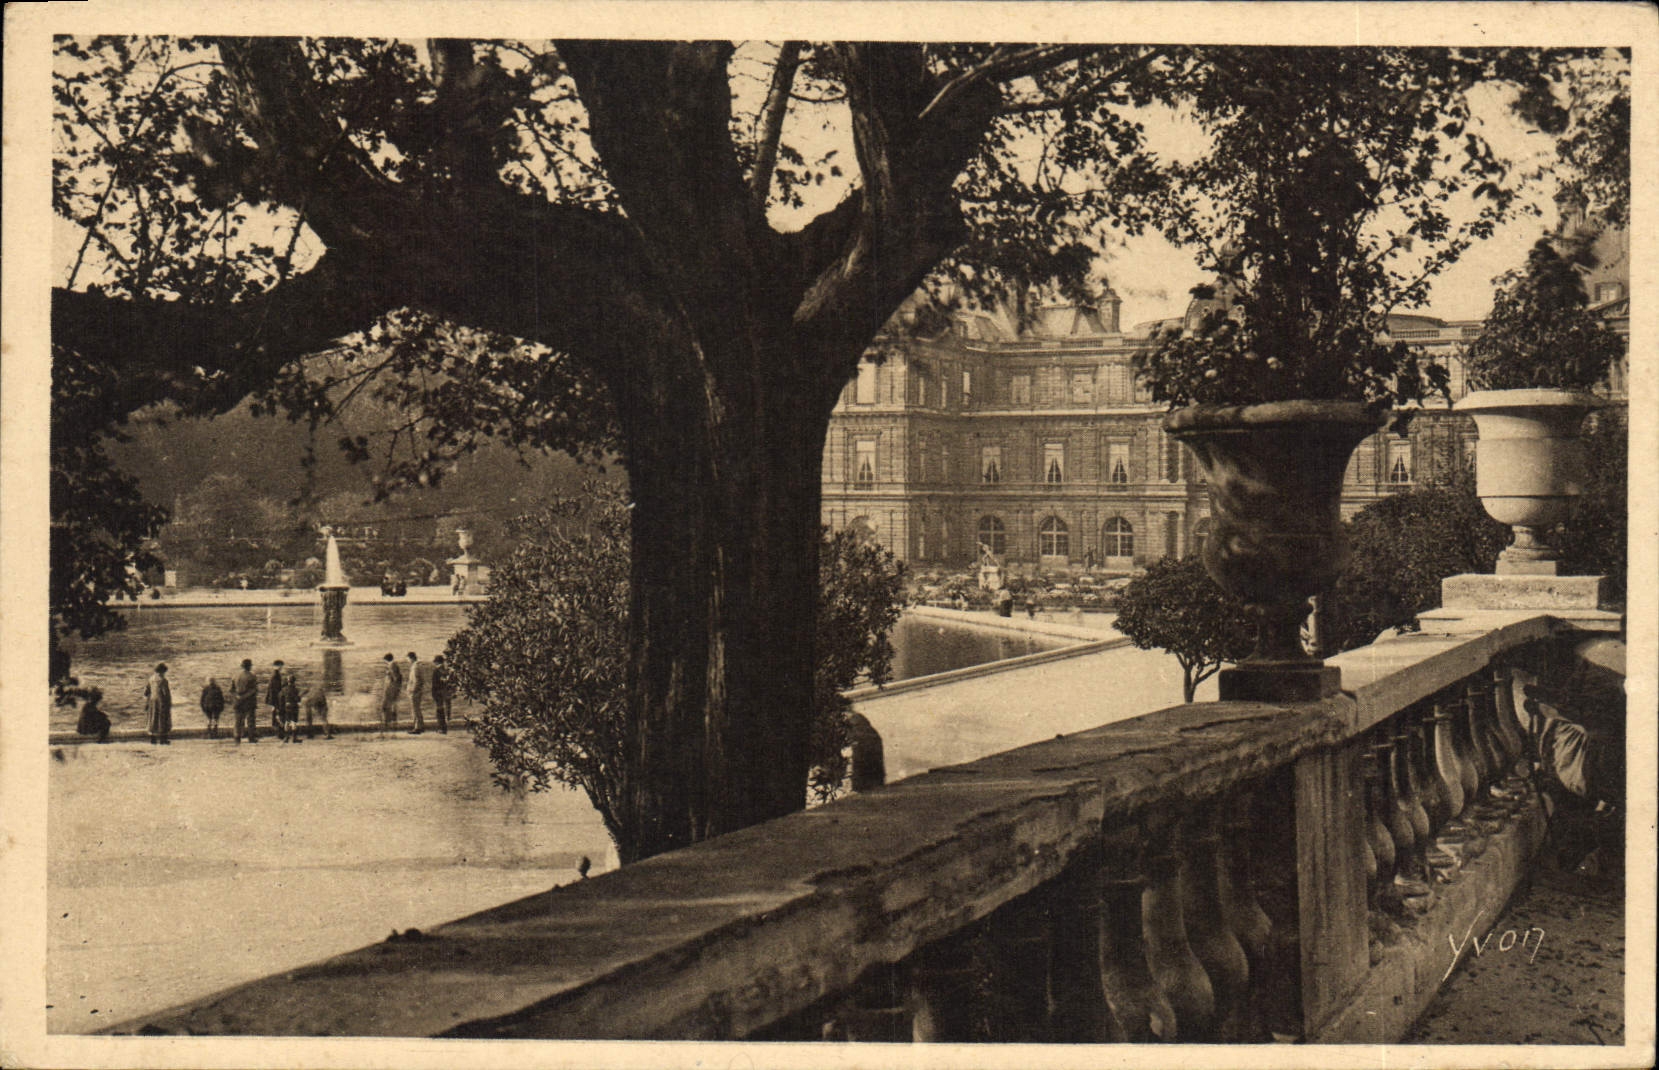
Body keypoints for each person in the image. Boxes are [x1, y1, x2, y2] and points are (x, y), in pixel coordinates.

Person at [231, 658, 260, 743]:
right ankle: (251, 737)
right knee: (250, 719)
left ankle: (237, 737)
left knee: (238, 719)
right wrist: (245, 696)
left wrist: (237, 696)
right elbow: (254, 690)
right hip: (249, 701)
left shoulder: (235, 676)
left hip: (237, 701)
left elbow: (231, 690)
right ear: (249, 667)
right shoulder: (252, 676)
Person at [144, 663, 173, 745]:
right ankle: (163, 739)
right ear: (162, 671)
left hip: (152, 701)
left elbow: (146, 692)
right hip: (161, 702)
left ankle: (153, 738)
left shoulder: (151, 679)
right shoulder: (163, 680)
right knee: (163, 720)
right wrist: (169, 703)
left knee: (153, 719)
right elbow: (166, 693)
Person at [407, 651, 430, 734]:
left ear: (411, 658)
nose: (408, 661)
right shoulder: (417, 666)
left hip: (415, 692)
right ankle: (419, 726)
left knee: (415, 709)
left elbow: (417, 680)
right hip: (417, 691)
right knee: (416, 709)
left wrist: (413, 690)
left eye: (408, 659)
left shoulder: (415, 667)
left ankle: (418, 727)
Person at [431, 654, 453, 734]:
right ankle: (445, 726)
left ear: (436, 662)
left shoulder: (436, 671)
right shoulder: (446, 670)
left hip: (438, 693)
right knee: (446, 710)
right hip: (446, 693)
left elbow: (434, 684)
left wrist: (434, 693)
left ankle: (442, 728)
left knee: (439, 710)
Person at [266, 660, 288, 737]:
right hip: (276, 699)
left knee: (276, 716)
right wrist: (274, 703)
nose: (282, 668)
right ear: (279, 666)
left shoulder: (274, 674)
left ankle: (279, 733)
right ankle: (280, 734)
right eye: (281, 666)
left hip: (274, 699)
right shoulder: (276, 675)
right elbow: (274, 690)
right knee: (278, 715)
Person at [380, 653, 402, 727]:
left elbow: (396, 678)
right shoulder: (393, 665)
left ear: (386, 660)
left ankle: (386, 722)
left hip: (391, 689)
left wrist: (393, 687)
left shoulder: (392, 666)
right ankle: (392, 721)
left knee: (385, 705)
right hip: (391, 688)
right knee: (392, 705)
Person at [280, 675, 303, 743]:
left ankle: (286, 738)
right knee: (294, 722)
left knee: (287, 721)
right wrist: (299, 698)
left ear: (288, 681)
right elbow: (297, 699)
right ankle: (294, 738)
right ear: (294, 681)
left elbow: (281, 697)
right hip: (294, 707)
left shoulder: (284, 689)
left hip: (287, 706)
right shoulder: (295, 689)